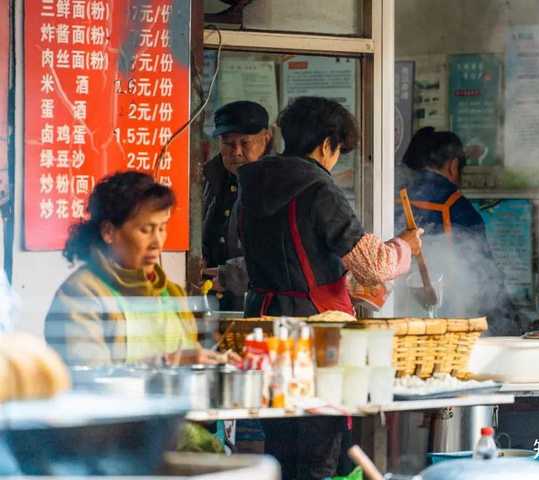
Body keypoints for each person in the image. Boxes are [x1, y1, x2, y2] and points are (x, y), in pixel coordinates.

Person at [236, 96, 423, 479]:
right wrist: (406, 245)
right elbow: (375, 265)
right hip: (313, 335)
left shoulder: (252, 184)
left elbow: (276, 257)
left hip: (264, 327)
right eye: (338, 151)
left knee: (280, 442)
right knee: (318, 448)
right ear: (325, 145)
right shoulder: (318, 188)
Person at [45, 171, 232, 366]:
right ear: (109, 232)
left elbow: (193, 359)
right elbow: (89, 381)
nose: (157, 242)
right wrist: (168, 361)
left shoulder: (171, 293)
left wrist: (220, 362)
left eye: (161, 228)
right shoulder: (81, 294)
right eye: (145, 230)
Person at [397, 127, 521, 335]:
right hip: (445, 324)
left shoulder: (386, 196)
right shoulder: (457, 207)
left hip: (394, 319)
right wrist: (512, 325)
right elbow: (484, 277)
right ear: (453, 166)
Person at [202, 100, 272, 311]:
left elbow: (279, 255)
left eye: (246, 143)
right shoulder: (208, 177)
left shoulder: (277, 183)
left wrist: (231, 275)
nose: (237, 152)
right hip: (211, 301)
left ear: (266, 138)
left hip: (256, 304)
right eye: (228, 144)